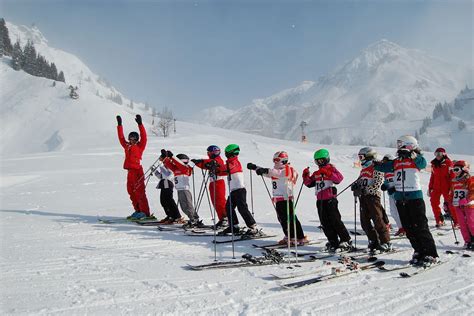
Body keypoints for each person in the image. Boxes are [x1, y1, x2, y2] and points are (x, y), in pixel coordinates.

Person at [375, 135, 439, 265]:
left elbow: (423, 163)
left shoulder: (415, 160)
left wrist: (413, 154)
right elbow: (384, 167)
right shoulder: (397, 161)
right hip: (400, 197)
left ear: (409, 145)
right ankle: (419, 250)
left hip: (414, 196)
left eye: (401, 145)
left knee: (420, 226)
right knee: (409, 228)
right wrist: (375, 164)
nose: (399, 148)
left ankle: (430, 253)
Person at [248, 151, 308, 245]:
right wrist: (255, 167)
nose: (275, 162)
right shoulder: (276, 171)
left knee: (289, 218)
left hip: (286, 198)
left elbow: (278, 173)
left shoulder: (288, 170)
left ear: (283, 161)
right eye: (274, 160)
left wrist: (265, 170)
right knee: (282, 219)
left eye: (277, 160)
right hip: (278, 199)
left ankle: (297, 237)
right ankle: (290, 235)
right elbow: (269, 173)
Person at [302, 149, 351, 252]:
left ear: (327, 159)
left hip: (330, 199)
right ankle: (333, 242)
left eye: (321, 160)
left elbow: (339, 179)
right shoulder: (316, 173)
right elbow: (309, 184)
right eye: (317, 161)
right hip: (320, 201)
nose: (320, 163)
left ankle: (345, 240)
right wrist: (305, 175)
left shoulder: (332, 168)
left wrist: (328, 172)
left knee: (335, 220)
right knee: (325, 223)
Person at [351, 147, 391, 252]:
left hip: (373, 197)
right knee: (364, 221)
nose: (360, 159)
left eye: (361, 157)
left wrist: (365, 190)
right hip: (363, 198)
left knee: (377, 220)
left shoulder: (376, 167)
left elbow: (377, 183)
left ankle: (386, 242)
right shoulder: (363, 169)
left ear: (368, 156)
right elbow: (360, 181)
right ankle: (373, 241)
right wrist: (356, 186)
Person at [116, 114, 152, 220]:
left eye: (134, 139)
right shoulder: (126, 146)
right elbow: (121, 138)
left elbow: (144, 136)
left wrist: (140, 124)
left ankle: (145, 212)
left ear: (137, 139)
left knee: (139, 192)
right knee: (131, 192)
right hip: (130, 172)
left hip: (137, 171)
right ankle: (138, 211)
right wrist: (119, 125)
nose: (132, 140)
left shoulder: (140, 146)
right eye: (130, 138)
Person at [219, 144, 260, 236]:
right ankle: (234, 226)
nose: (225, 154)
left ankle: (252, 227)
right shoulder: (230, 163)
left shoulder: (234, 162)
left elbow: (227, 168)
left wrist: (218, 167)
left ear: (232, 153)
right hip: (233, 190)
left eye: (227, 153)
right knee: (228, 207)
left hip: (240, 190)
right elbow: (224, 170)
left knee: (242, 208)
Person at [162, 151, 203, 228]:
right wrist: (166, 158)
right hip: (180, 190)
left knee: (188, 206)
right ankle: (192, 219)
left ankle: (194, 219)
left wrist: (172, 157)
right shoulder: (176, 169)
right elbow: (169, 165)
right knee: (183, 207)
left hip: (185, 190)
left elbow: (179, 164)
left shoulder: (185, 168)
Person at [192, 145, 228, 228]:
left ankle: (226, 219)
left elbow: (210, 163)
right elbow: (206, 165)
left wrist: (201, 161)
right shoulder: (212, 160)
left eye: (209, 152)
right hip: (213, 183)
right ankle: (222, 219)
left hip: (218, 182)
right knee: (215, 202)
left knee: (220, 201)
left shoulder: (218, 160)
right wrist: (198, 162)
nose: (208, 153)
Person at [428, 148, 457, 227]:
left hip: (446, 187)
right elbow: (432, 176)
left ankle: (456, 221)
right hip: (436, 187)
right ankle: (439, 220)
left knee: (450, 204)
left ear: (444, 154)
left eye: (439, 154)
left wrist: (452, 188)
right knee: (433, 202)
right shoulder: (434, 164)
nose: (437, 156)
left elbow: (452, 177)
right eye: (436, 154)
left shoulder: (448, 163)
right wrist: (430, 188)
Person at [154, 149, 184, 224]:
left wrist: (160, 166)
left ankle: (176, 216)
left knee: (168, 200)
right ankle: (169, 215)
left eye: (161, 157)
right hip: (164, 182)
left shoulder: (169, 164)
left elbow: (168, 174)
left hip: (168, 183)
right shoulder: (164, 165)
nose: (159, 158)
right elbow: (161, 176)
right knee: (163, 201)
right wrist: (155, 171)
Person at [449, 160, 473, 249]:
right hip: (458, 206)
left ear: (464, 169)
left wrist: (466, 199)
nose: (455, 172)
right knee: (462, 224)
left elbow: (473, 192)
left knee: (471, 223)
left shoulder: (470, 180)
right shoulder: (454, 181)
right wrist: (448, 203)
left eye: (456, 169)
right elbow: (452, 193)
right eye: (453, 170)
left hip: (469, 206)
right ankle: (467, 241)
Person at [381, 154, 405, 236]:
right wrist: (385, 185)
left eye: (386, 161)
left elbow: (400, 179)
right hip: (391, 193)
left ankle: (405, 228)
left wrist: (395, 187)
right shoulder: (386, 171)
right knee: (393, 212)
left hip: (398, 192)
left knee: (400, 211)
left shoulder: (395, 169)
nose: (384, 163)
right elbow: (387, 181)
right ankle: (401, 227)